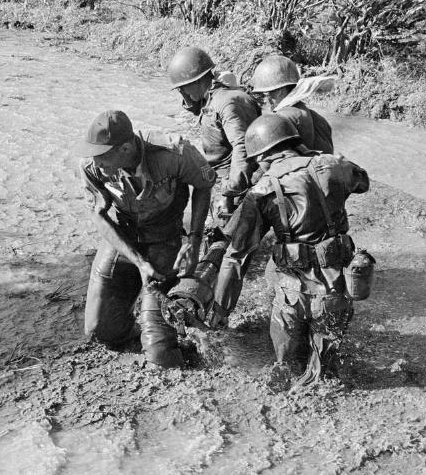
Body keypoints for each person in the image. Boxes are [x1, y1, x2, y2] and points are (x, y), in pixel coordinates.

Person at [214, 114, 369, 387]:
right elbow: (363, 182)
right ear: (294, 142)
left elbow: (236, 258)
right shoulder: (332, 165)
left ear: (262, 156)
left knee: (285, 368)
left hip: (290, 297)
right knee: (327, 370)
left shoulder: (261, 191)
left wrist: (220, 312)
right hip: (335, 290)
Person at [80, 110, 215, 367]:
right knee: (101, 332)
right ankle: (137, 324)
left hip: (165, 239)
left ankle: (174, 327)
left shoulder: (174, 153)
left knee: (161, 356)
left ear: (125, 148)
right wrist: (139, 262)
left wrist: (194, 241)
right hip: (122, 239)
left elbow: (204, 185)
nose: (96, 163)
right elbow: (99, 216)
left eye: (102, 156)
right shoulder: (92, 167)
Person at [167, 47, 261, 219]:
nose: (183, 92)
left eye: (184, 87)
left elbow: (243, 145)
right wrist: (187, 96)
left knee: (228, 232)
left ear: (197, 81)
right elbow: (200, 111)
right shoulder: (212, 99)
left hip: (236, 183)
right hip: (223, 179)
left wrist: (230, 191)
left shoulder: (227, 103)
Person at [250, 55, 335, 154]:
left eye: (266, 95)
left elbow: (277, 157)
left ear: (280, 92)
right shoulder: (315, 116)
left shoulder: (281, 119)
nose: (265, 100)